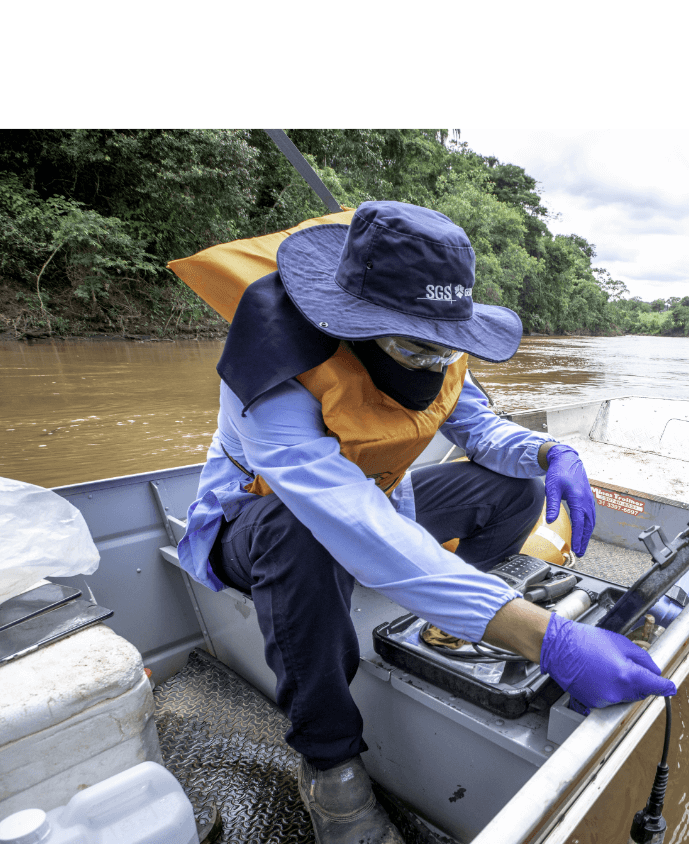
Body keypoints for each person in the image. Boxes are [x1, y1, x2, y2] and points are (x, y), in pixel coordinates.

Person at [178, 201, 676, 844]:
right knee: (298, 530)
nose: (432, 363)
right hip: (254, 523)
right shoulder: (273, 365)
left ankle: (445, 611)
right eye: (413, 346)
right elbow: (338, 513)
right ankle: (328, 766)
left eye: (446, 347)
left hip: (378, 500)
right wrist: (541, 636)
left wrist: (551, 452)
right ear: (356, 324)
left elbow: (479, 429)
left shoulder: (440, 349)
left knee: (513, 484)